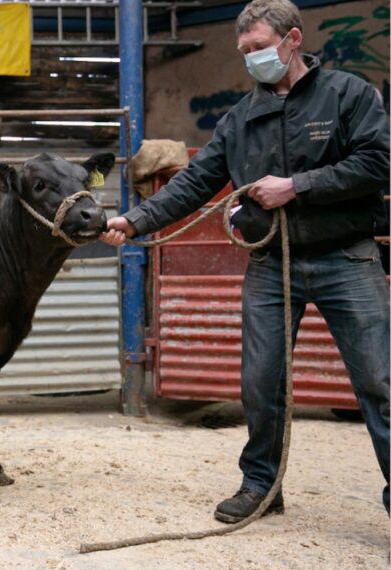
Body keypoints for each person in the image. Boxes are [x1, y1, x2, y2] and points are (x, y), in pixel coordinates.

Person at [101, 0, 390, 522]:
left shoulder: (347, 94)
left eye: (259, 48)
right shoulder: (241, 118)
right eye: (245, 52)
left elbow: (377, 164)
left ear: (293, 39)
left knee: (378, 380)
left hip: (345, 257)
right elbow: (194, 182)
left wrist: (296, 186)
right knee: (261, 381)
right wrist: (136, 221)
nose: (252, 59)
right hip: (270, 267)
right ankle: (262, 485)